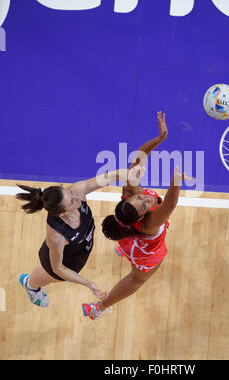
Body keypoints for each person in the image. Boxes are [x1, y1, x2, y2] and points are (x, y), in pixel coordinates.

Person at [82, 111, 193, 319]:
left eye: (139, 199)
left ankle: (123, 251)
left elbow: (140, 156)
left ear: (128, 197)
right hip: (145, 251)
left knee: (128, 237)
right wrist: (175, 181)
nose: (146, 200)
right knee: (137, 279)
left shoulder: (130, 192)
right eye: (143, 206)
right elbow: (169, 205)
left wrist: (159, 139)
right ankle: (100, 307)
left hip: (128, 235)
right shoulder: (151, 222)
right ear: (141, 218)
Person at [17, 168, 134, 308]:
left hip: (79, 250)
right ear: (62, 213)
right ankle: (30, 285)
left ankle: (67, 276)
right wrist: (88, 283)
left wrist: (129, 173)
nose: (77, 198)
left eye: (70, 193)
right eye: (71, 202)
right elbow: (58, 268)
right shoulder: (56, 236)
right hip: (63, 264)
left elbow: (108, 177)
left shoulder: (76, 192)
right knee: (48, 277)